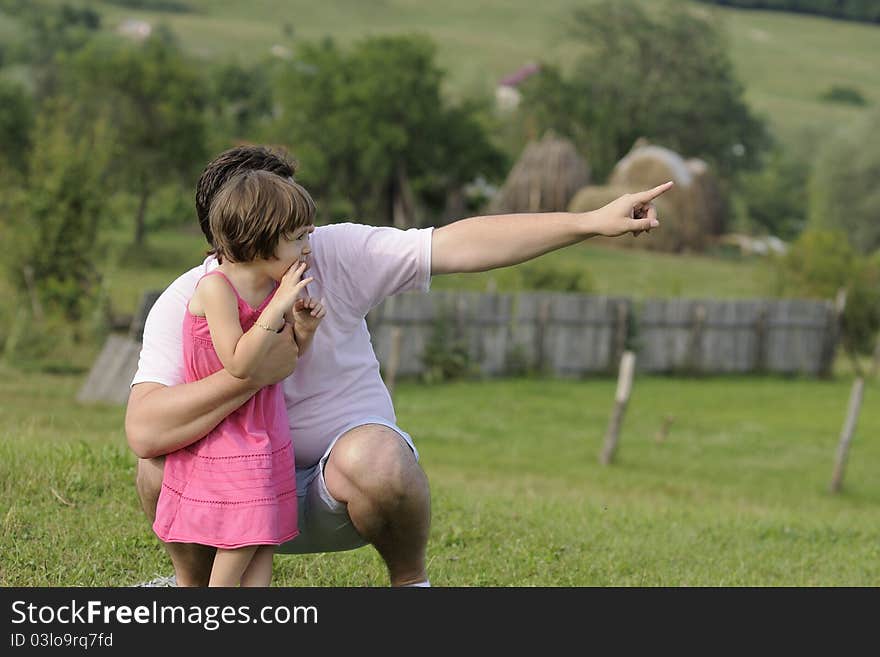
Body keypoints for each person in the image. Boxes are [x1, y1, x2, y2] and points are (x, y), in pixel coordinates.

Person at [126, 144, 672, 587]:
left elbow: (455, 244)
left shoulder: (331, 252)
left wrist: (590, 222)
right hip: (227, 496)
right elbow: (145, 430)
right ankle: (192, 598)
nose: (306, 238)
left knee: (381, 458)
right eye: (290, 225)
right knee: (158, 465)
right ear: (247, 231)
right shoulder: (192, 298)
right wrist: (255, 375)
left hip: (334, 489)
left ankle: (410, 586)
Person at [152, 170, 326, 586]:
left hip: (264, 430)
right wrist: (278, 305)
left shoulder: (272, 290)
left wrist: (303, 327)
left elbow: (288, 357)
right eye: (299, 238)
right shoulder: (216, 288)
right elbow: (240, 364)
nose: (308, 248)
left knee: (262, 540)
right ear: (262, 239)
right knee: (240, 543)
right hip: (227, 435)